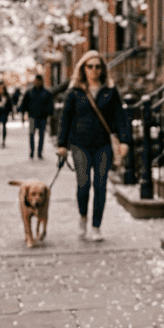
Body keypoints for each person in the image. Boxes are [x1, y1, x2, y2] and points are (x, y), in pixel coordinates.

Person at [56, 50, 131, 242]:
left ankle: (96, 226)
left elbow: (120, 118)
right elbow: (65, 118)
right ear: (83, 68)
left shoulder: (110, 92)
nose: (94, 70)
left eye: (98, 66)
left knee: (100, 186)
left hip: (103, 145)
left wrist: (124, 141)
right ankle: (83, 217)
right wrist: (62, 144)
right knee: (83, 185)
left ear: (102, 69)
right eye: (90, 66)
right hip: (80, 144)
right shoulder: (75, 92)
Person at [19, 75, 55, 159]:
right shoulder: (29, 92)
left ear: (41, 81)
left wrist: (50, 115)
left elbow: (50, 105)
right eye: (36, 81)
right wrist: (23, 114)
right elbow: (24, 104)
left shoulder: (47, 93)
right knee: (31, 134)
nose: (37, 82)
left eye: (39, 81)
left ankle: (39, 152)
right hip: (32, 116)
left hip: (43, 117)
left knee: (41, 135)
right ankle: (32, 151)